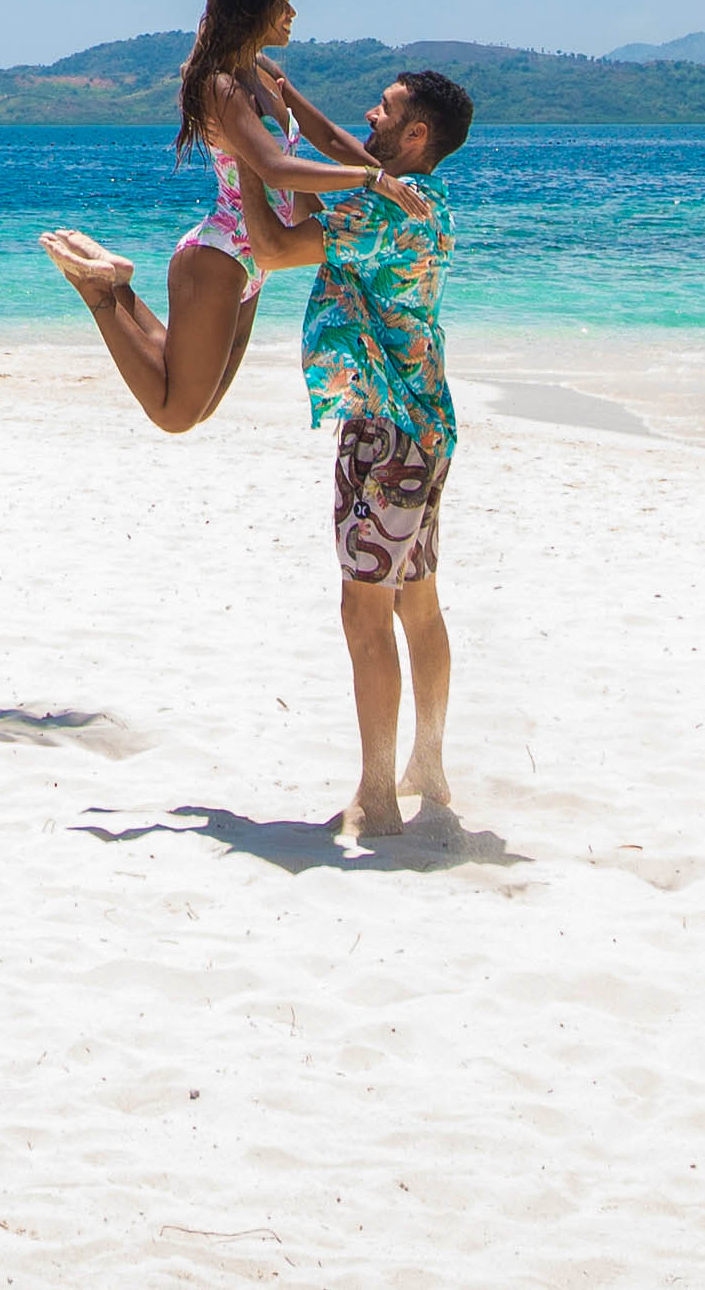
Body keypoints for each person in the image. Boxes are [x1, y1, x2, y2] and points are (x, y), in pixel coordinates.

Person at [35, 0, 398, 434]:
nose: (292, 13)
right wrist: (368, 178)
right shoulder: (221, 85)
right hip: (220, 254)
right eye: (282, 2)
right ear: (254, 8)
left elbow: (329, 137)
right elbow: (274, 168)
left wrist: (394, 178)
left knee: (197, 402)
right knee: (175, 413)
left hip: (254, 260)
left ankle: (117, 283)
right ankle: (98, 293)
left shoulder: (264, 72)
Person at [309, 65, 469, 839]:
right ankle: (427, 764)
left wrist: (245, 159)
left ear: (415, 135)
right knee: (417, 597)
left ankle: (377, 792)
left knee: (362, 605)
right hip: (425, 424)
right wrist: (277, 98)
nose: (367, 111)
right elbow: (339, 146)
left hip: (387, 431)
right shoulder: (420, 195)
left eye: (387, 107)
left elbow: (275, 245)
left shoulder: (388, 214)